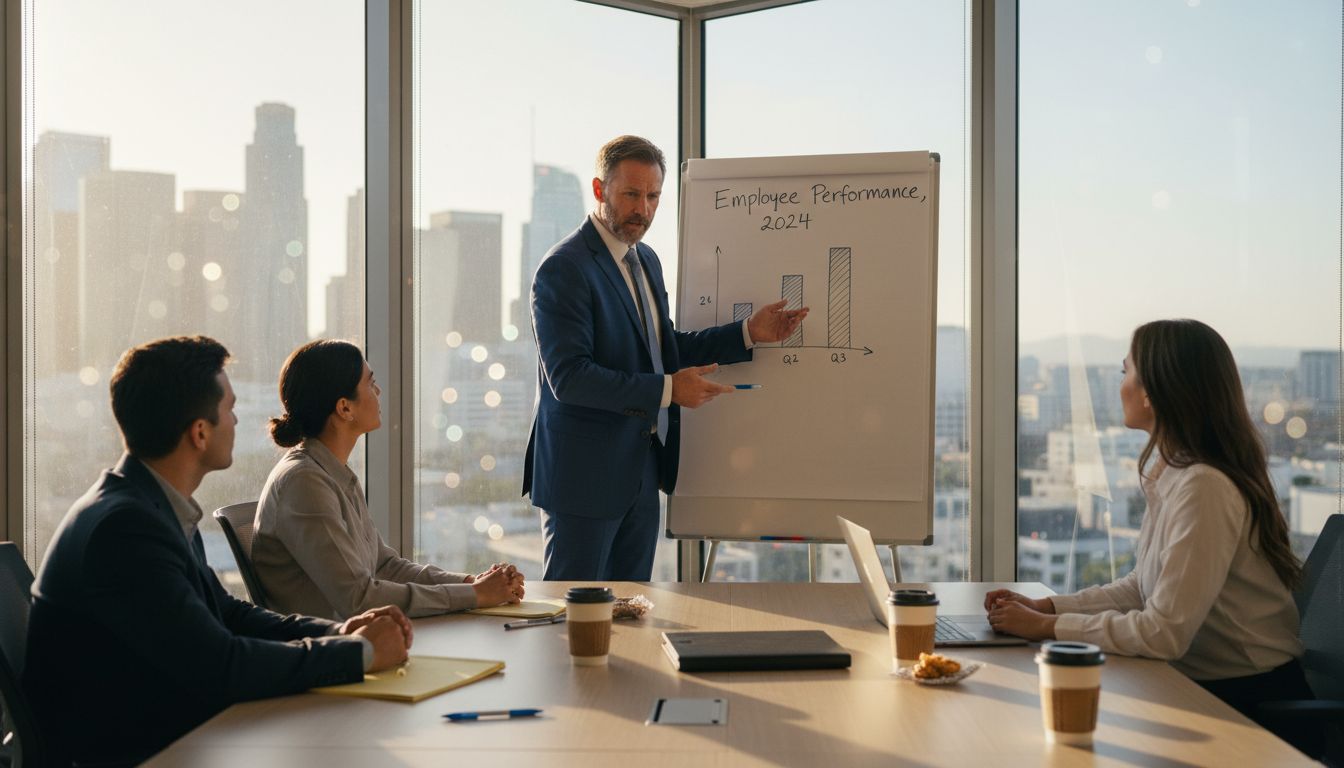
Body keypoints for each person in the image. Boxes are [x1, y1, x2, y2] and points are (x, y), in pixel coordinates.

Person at [23, 336, 412, 767]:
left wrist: (337, 633)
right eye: (229, 408)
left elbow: (228, 614)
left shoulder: (149, 505)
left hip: (170, 734)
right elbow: (220, 667)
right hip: (139, 753)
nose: (237, 420)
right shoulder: (125, 529)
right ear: (200, 432)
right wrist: (360, 654)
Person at [984, 319, 1316, 752]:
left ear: (1154, 391)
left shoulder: (1204, 487)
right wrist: (1045, 606)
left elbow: (1163, 633)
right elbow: (1142, 589)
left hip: (1250, 713)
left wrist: (1048, 627)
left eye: (1126, 372)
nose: (1119, 384)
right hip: (1205, 690)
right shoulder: (1175, 473)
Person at [524, 134, 809, 581]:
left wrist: (748, 333)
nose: (644, 209)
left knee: (631, 615)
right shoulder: (564, 267)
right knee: (573, 624)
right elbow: (571, 377)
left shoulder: (647, 261)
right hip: (582, 481)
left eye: (653, 196)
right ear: (600, 191)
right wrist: (672, 390)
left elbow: (663, 348)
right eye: (631, 195)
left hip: (639, 470)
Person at [253, 339, 525, 620]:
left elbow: (385, 566)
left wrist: (472, 583)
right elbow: (359, 599)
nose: (379, 391)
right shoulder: (304, 483)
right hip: (331, 653)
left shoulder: (330, 473)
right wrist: (476, 595)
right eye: (371, 383)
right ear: (345, 408)